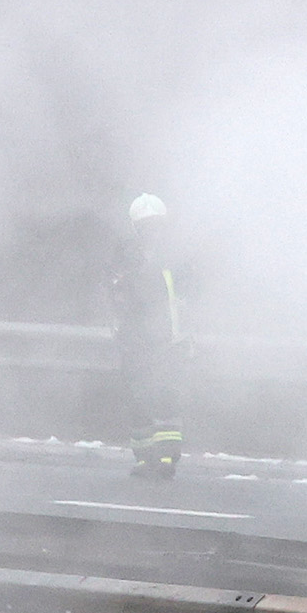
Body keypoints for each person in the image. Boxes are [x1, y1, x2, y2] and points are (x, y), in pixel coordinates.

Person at [106, 195, 184, 478]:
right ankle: (144, 457)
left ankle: (166, 457)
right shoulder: (127, 256)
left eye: (156, 224)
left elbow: (178, 300)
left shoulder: (170, 256)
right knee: (137, 399)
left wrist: (179, 337)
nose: (152, 230)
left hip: (162, 339)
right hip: (136, 341)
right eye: (147, 225)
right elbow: (117, 298)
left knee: (164, 398)